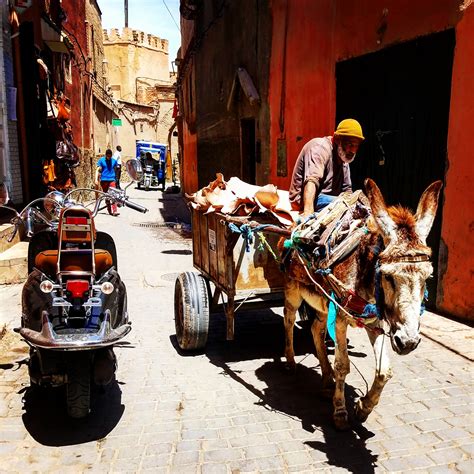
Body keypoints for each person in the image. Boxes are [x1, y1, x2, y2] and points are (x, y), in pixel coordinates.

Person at [289, 118, 365, 216]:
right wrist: (308, 213)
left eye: (356, 146)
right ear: (337, 139)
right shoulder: (320, 148)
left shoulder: (343, 156)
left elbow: (347, 190)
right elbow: (312, 181)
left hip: (330, 200)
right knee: (345, 204)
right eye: (350, 144)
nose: (353, 150)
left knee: (358, 206)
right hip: (307, 200)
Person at [95, 148, 119, 216]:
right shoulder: (101, 160)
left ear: (111, 155)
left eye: (110, 156)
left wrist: (116, 177)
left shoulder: (114, 161)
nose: (109, 157)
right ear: (105, 155)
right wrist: (96, 179)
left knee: (113, 195)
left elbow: (116, 168)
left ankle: (115, 211)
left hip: (112, 179)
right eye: (107, 156)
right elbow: (98, 169)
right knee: (106, 196)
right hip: (104, 180)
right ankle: (109, 210)